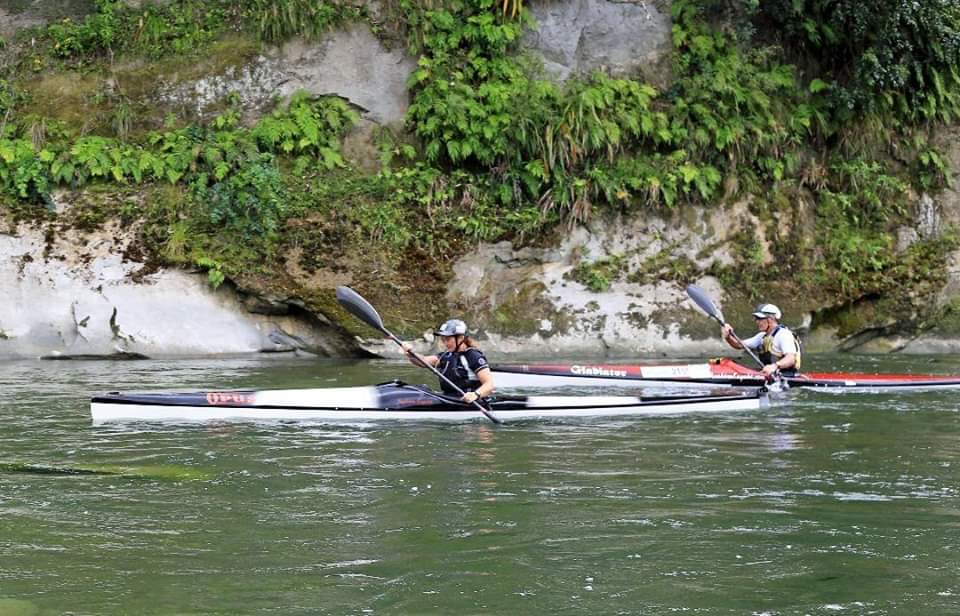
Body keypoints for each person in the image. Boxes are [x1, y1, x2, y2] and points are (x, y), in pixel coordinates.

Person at [401, 319, 494, 404]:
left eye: (448, 339)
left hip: (471, 401)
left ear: (461, 338)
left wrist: (475, 394)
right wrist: (410, 353)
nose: (445, 343)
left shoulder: (473, 356)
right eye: (443, 340)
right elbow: (423, 361)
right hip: (450, 398)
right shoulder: (446, 355)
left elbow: (489, 384)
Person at [721, 303, 801, 377]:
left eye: (759, 319)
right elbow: (738, 345)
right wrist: (728, 336)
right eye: (756, 319)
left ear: (770, 319)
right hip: (768, 374)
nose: (757, 322)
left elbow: (791, 359)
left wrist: (775, 366)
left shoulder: (784, 334)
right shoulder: (762, 336)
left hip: (787, 375)